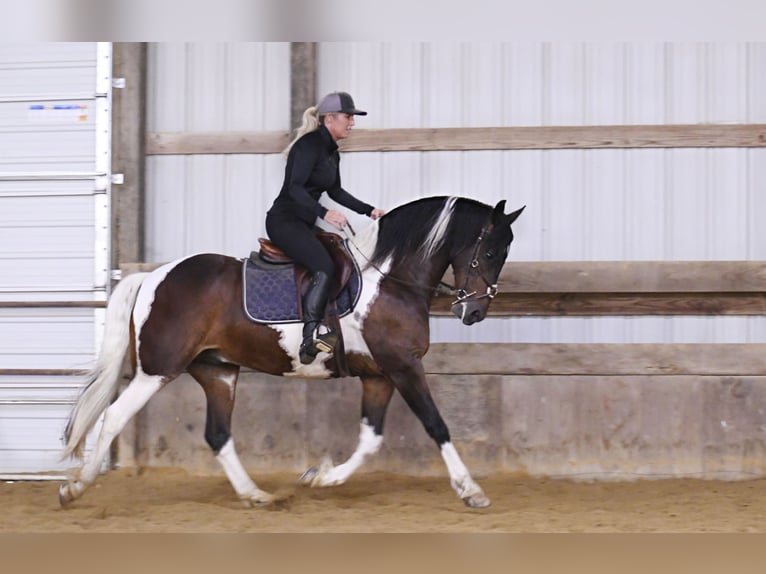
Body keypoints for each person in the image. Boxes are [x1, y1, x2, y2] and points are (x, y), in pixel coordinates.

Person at [266, 91, 385, 364]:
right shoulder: (307, 146)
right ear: (330, 118)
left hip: (304, 222)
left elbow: (336, 191)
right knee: (324, 266)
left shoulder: (332, 152)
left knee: (340, 257)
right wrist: (323, 212)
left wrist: (369, 210)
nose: (352, 123)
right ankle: (310, 338)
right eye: (348, 117)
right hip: (285, 221)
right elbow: (294, 188)